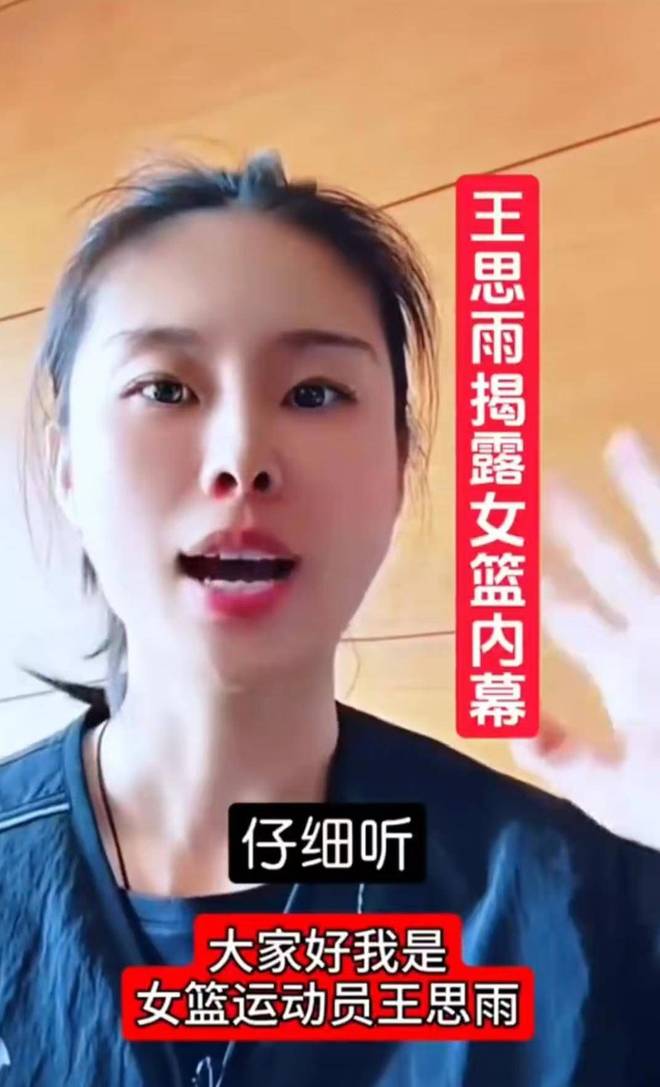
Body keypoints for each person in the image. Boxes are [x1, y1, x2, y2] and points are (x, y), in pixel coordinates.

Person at [0, 148, 657, 1087]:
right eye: (166, 388)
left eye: (315, 393)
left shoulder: (569, 897)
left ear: (397, 469)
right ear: (69, 467)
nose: (242, 457)